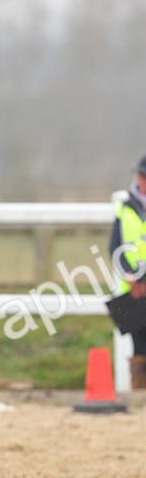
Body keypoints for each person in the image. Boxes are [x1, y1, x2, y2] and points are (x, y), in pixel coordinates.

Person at [109, 155, 146, 389]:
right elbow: (115, 247)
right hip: (133, 287)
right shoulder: (124, 208)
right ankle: (140, 391)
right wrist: (133, 277)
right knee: (139, 340)